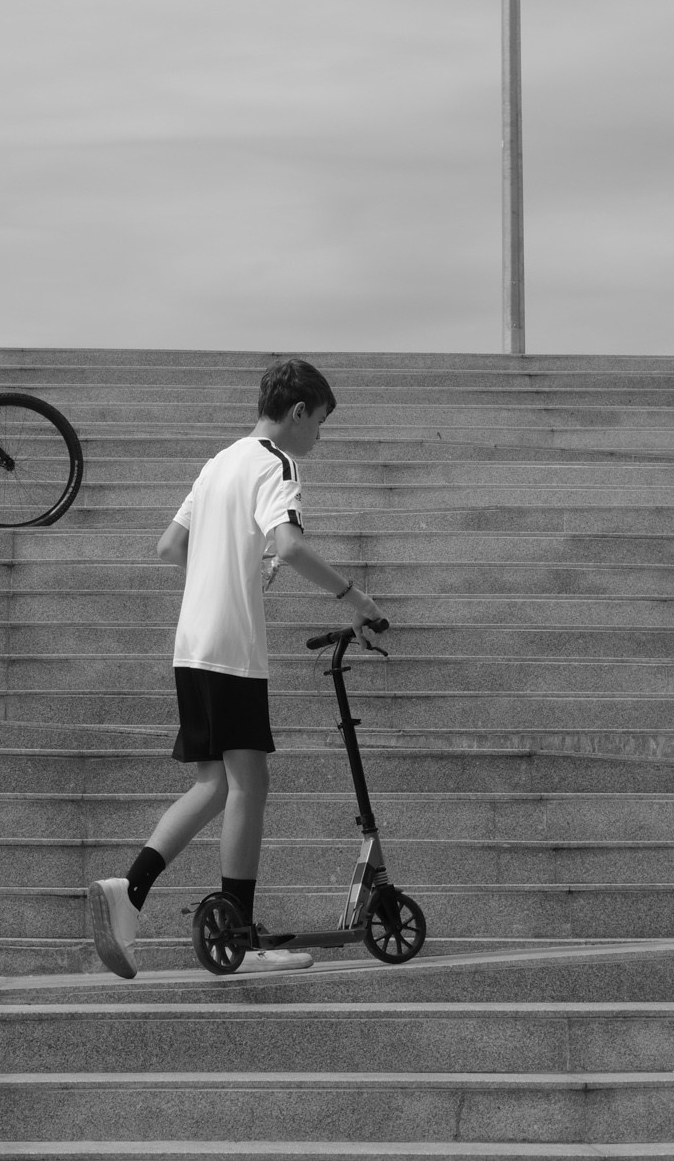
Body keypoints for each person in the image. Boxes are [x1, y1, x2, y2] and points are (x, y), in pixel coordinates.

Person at [86, 358, 386, 978]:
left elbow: (170, 546)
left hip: (191, 643)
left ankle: (130, 891)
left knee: (214, 785)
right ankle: (241, 934)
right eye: (320, 421)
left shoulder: (218, 462)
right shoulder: (277, 463)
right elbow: (291, 546)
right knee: (250, 785)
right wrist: (357, 600)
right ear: (298, 411)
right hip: (231, 648)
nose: (319, 435)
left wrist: (232, 569)